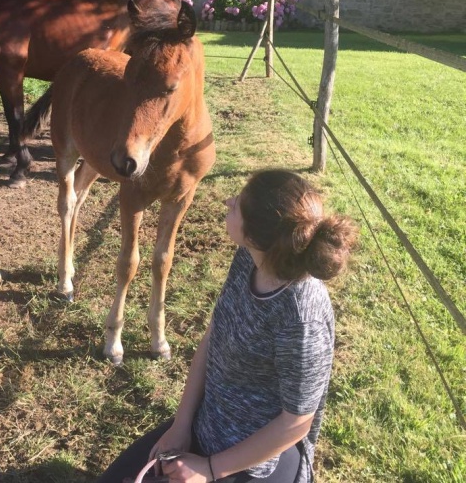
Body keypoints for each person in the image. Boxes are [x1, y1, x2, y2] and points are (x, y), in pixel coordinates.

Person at [97, 169, 359, 483]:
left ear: (254, 235)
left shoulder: (301, 318)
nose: (227, 201)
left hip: (256, 464)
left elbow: (297, 421)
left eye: (237, 205)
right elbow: (214, 336)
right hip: (205, 426)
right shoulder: (249, 258)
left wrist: (208, 469)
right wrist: (181, 425)